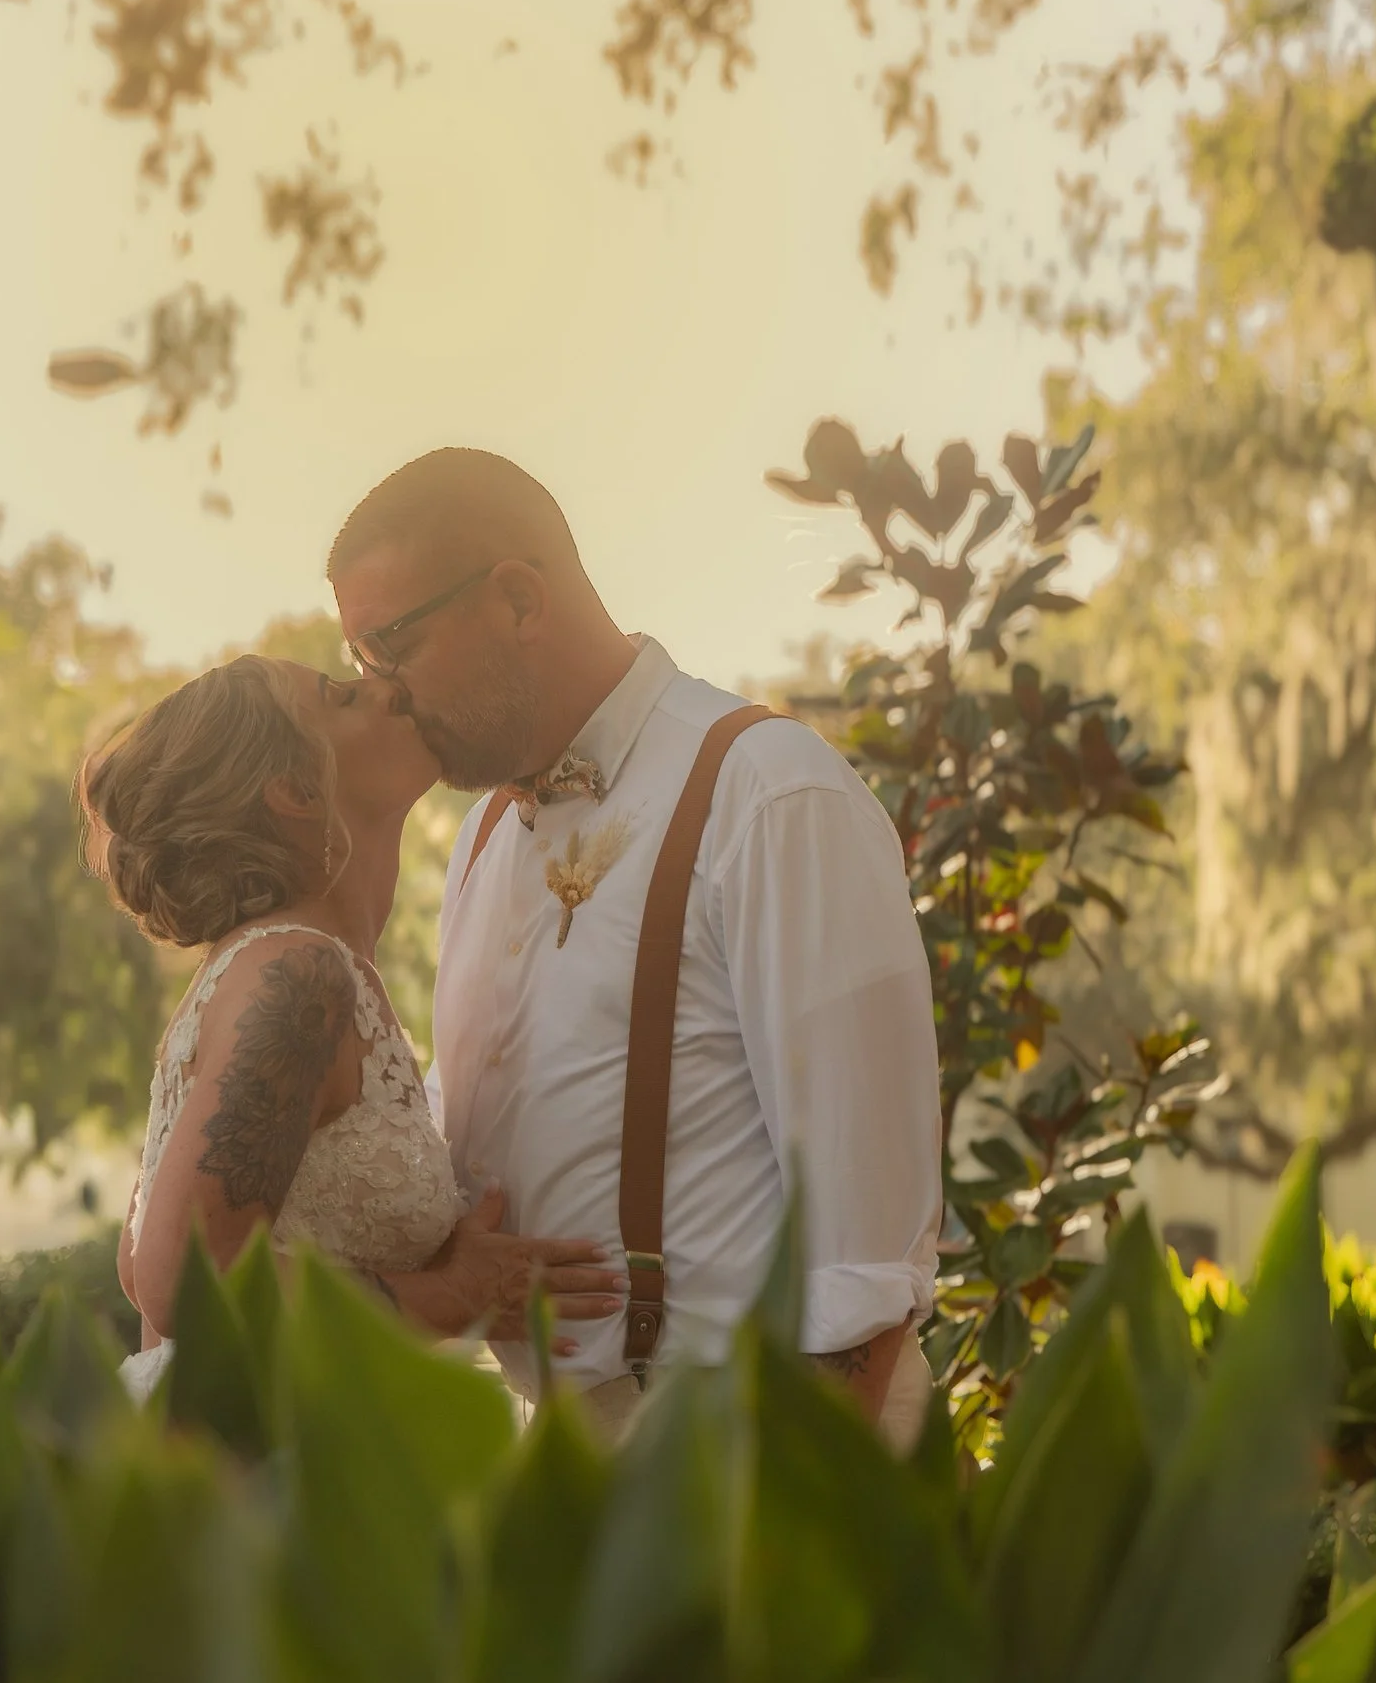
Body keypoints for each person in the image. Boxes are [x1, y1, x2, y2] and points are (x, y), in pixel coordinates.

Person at [328, 447, 941, 1446]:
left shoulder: (769, 793)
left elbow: (861, 1246)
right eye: (360, 665)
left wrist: (790, 1518)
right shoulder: (486, 834)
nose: (385, 693)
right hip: (577, 1452)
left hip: (759, 1435)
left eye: (391, 646)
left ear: (519, 600)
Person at [80, 653, 625, 1402]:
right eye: (341, 695)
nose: (387, 686)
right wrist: (457, 1295)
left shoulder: (285, 970)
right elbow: (177, 1278)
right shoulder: (297, 976)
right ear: (295, 790)